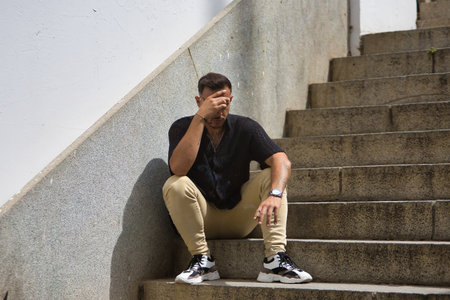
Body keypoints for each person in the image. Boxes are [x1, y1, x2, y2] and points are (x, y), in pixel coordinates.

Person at [162, 72, 312, 284]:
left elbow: (282, 161)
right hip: (201, 219)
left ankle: (275, 260)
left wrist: (275, 194)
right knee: (175, 183)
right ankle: (203, 261)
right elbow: (178, 168)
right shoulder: (181, 127)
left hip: (240, 218)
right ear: (199, 101)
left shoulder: (245, 127)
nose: (217, 111)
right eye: (211, 103)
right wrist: (200, 117)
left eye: (223, 103)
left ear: (230, 100)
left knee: (272, 174)